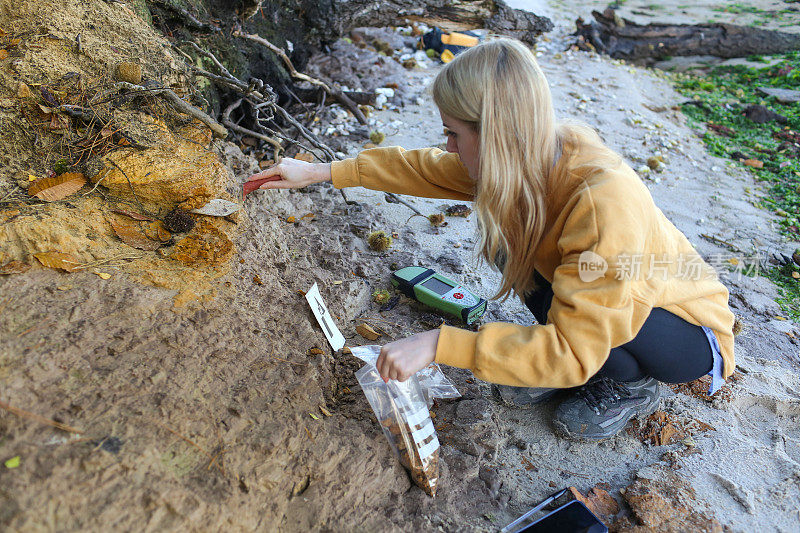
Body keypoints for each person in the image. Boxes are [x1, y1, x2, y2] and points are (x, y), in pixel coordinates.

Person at [245, 38, 735, 440]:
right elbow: (427, 168)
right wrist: (323, 171)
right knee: (509, 245)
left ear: (497, 134)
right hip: (608, 290)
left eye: (455, 135)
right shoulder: (531, 153)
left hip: (686, 330)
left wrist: (441, 344)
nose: (447, 146)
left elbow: (570, 352)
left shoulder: (603, 207)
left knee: (575, 346)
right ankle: (556, 363)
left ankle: (630, 384)